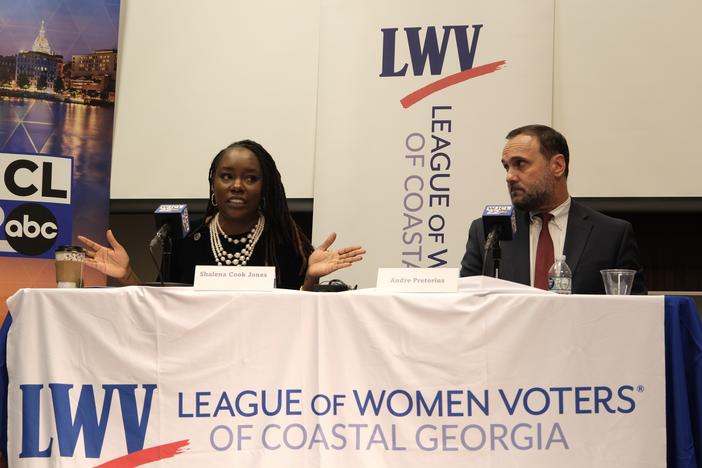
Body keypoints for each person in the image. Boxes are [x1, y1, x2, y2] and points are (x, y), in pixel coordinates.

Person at [79, 139, 365, 290]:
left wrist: (310, 280)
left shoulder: (284, 243)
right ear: (214, 183)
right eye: (227, 176)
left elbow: (302, 323)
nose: (238, 186)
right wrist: (127, 275)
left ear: (265, 188)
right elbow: (159, 318)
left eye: (250, 178)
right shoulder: (188, 244)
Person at [459, 124, 646, 294]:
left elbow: (634, 314)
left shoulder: (611, 235)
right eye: (506, 166)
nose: (509, 176)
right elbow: (465, 306)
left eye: (520, 164)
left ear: (557, 166)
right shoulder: (488, 233)